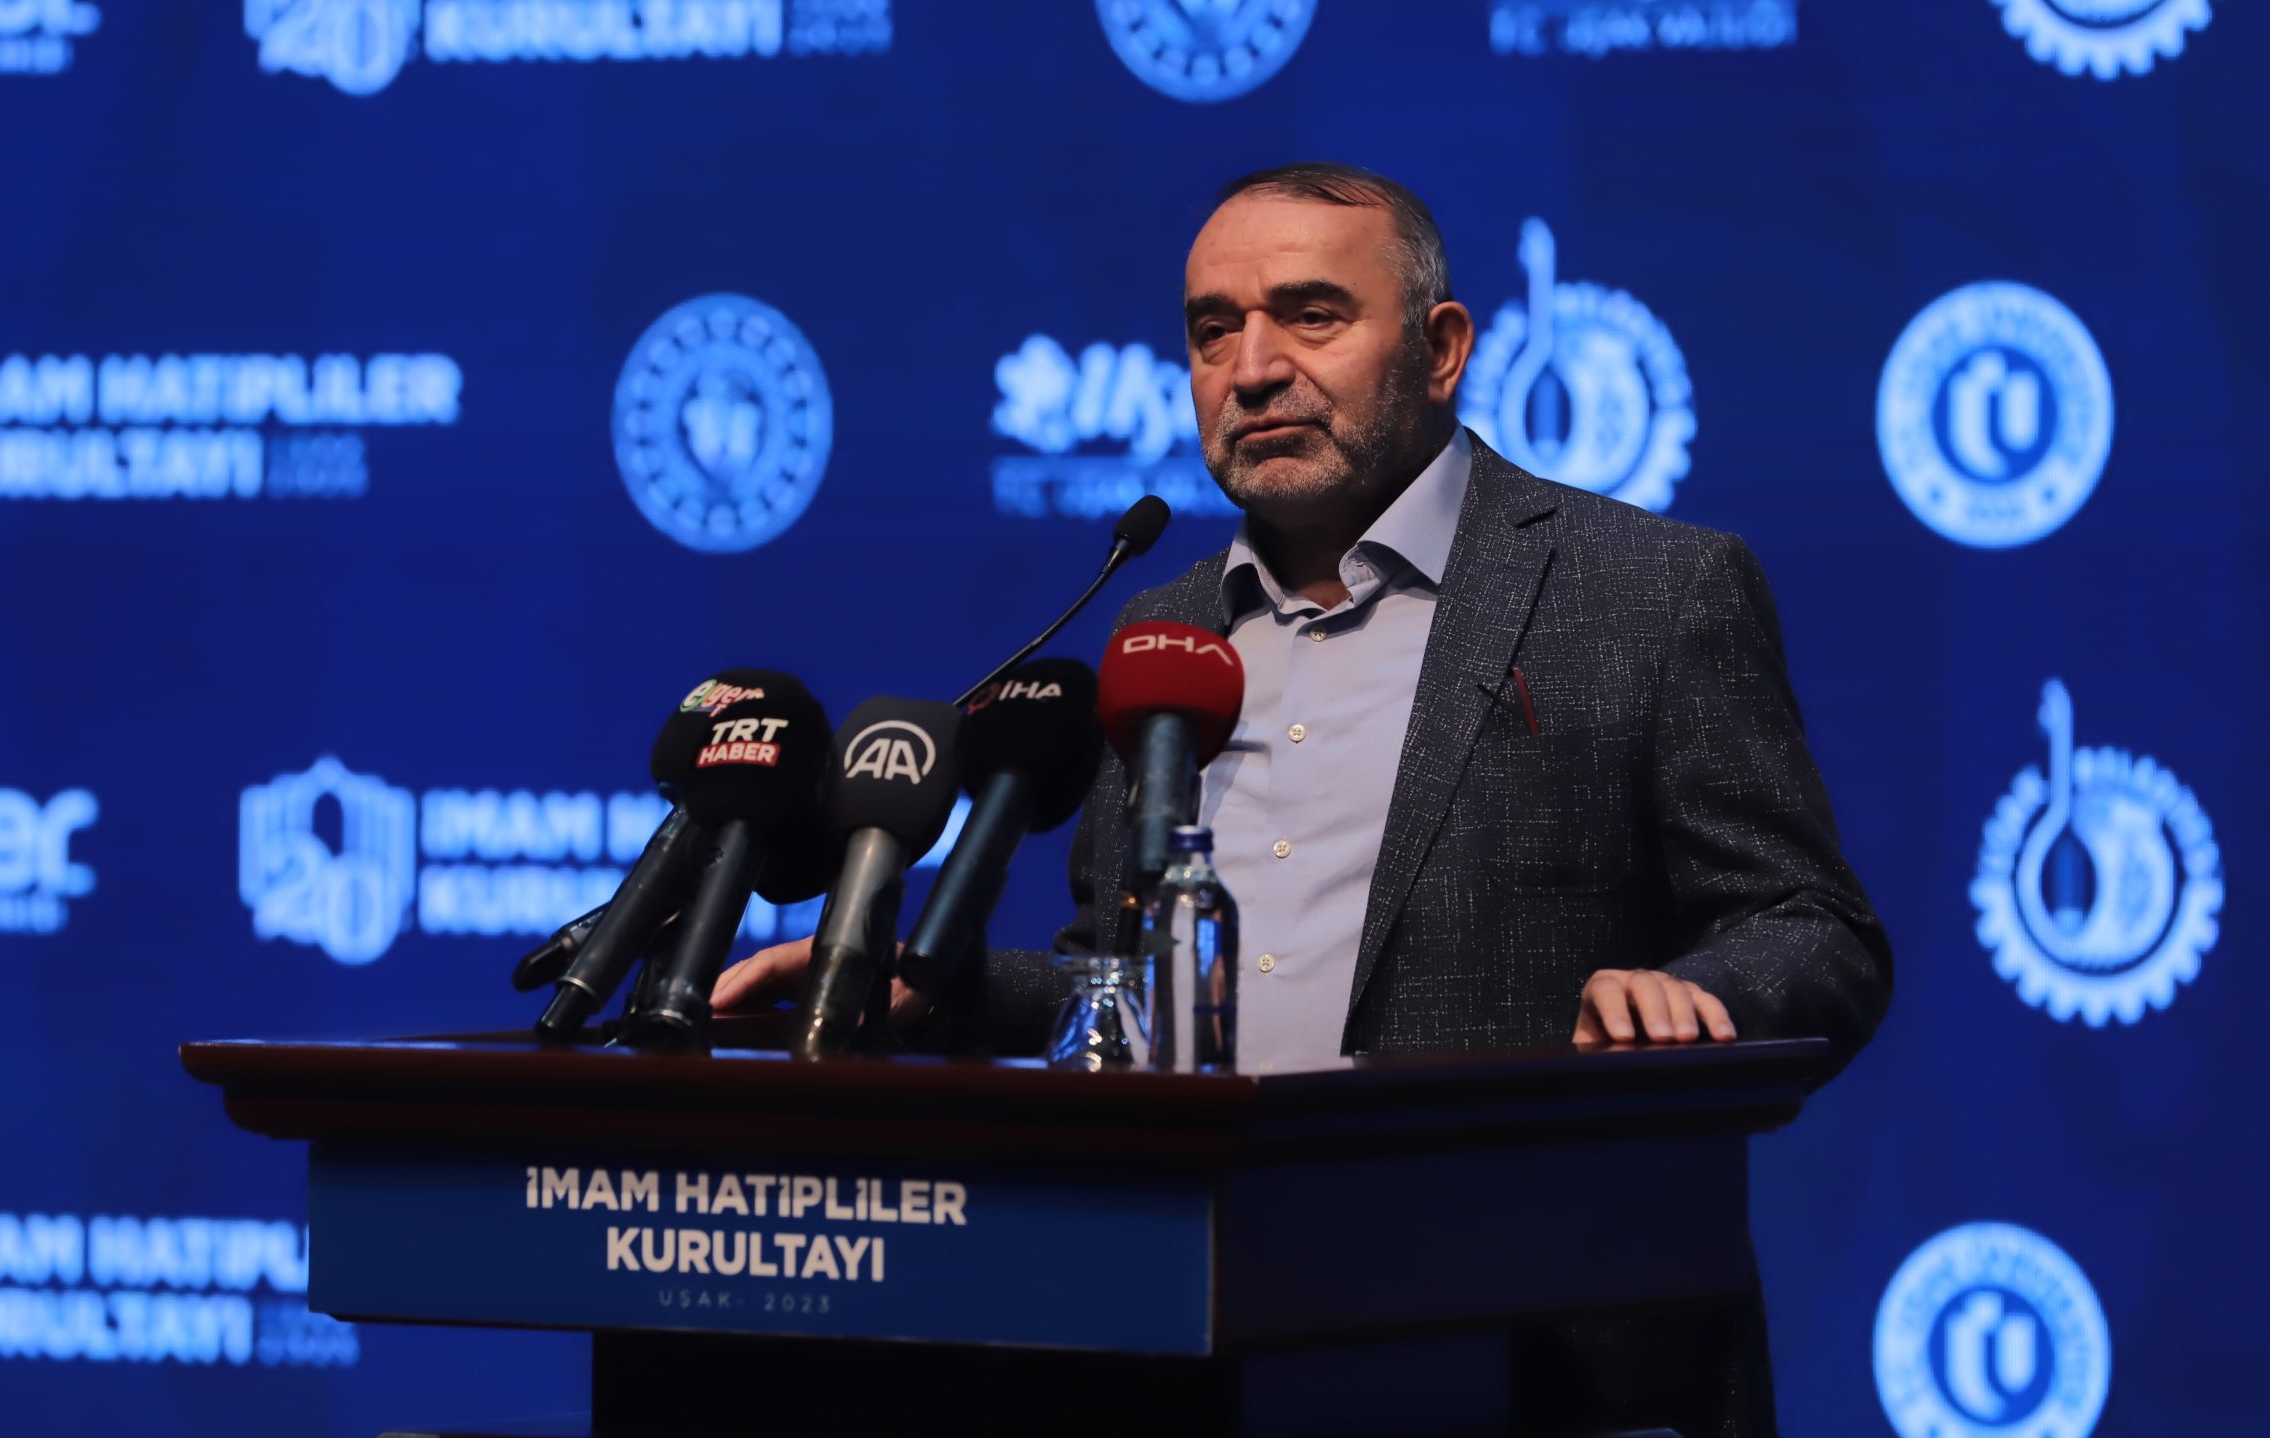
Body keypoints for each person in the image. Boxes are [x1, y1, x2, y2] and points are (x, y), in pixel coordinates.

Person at [718, 162, 1890, 1435]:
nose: (1253, 368)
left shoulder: (1646, 591)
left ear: (1441, 349)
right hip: (1187, 1348)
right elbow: (1122, 988)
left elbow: (1813, 926)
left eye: (1311, 315)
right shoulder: (1160, 631)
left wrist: (1699, 998)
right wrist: (933, 993)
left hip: (1539, 1353)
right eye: (1212, 331)